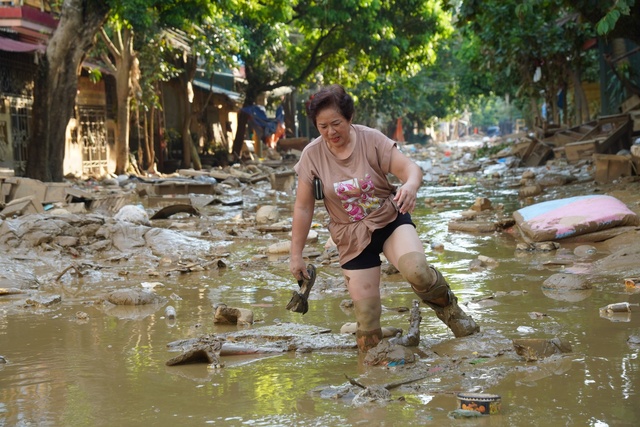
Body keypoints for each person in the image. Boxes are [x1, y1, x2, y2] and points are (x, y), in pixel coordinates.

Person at [289, 84, 479, 353]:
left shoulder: (371, 139)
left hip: (388, 219)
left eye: (336, 123)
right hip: (350, 235)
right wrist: (295, 254)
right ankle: (374, 372)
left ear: (349, 118)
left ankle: (452, 312)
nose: (331, 132)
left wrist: (410, 186)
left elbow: (410, 169)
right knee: (366, 318)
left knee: (418, 272)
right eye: (322, 127)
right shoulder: (312, 155)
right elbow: (303, 208)